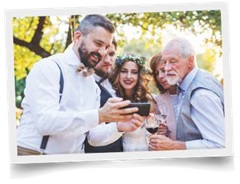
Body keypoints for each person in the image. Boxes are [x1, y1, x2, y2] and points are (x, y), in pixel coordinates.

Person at [17, 14, 143, 155]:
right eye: (98, 44)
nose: (102, 52)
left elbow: (92, 137)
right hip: (33, 155)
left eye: (106, 47)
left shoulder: (92, 86)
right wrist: (99, 115)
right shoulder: (48, 67)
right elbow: (45, 123)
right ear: (78, 37)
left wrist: (119, 127)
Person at [149, 37, 225, 150]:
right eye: (165, 62)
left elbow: (219, 145)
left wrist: (172, 146)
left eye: (173, 61)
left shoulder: (200, 95)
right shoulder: (194, 80)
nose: (167, 68)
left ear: (190, 61)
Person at [84, 38, 123, 153]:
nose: (108, 60)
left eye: (111, 54)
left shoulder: (116, 81)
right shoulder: (85, 84)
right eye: (103, 55)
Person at [149, 52, 177, 140]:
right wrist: (161, 131)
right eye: (157, 73)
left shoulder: (187, 94)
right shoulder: (158, 100)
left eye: (163, 70)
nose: (160, 76)